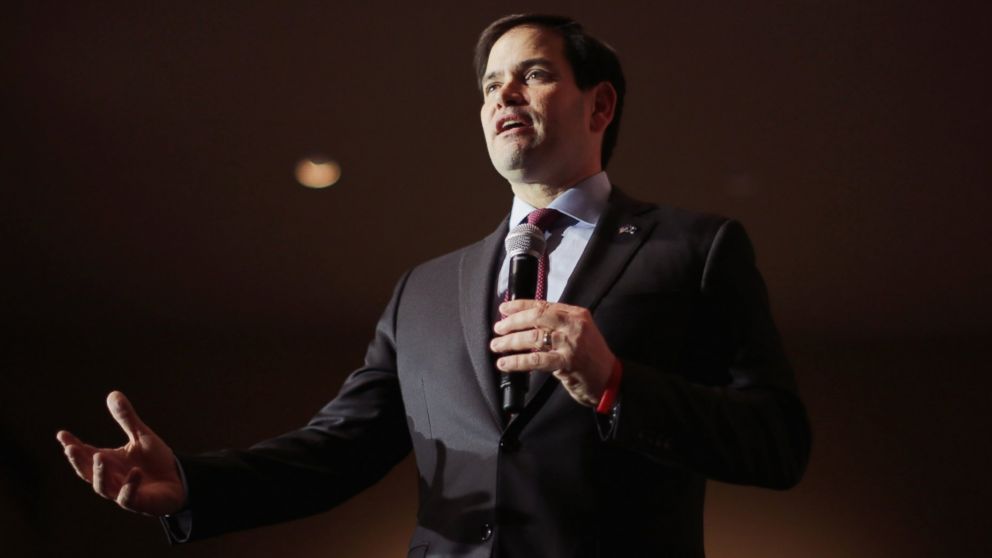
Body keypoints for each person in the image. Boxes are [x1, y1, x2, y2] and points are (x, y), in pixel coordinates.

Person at [57, 14, 811, 557]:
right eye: (490, 85)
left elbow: (777, 443)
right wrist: (192, 484)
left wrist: (614, 383)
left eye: (534, 74)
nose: (504, 95)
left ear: (600, 105)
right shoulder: (423, 291)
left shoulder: (694, 250)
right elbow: (339, 449)